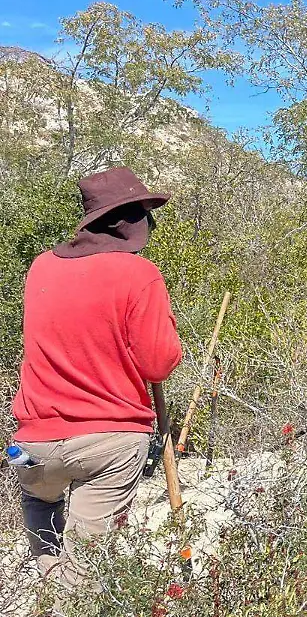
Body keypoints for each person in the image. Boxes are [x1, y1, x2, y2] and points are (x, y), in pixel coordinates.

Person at [9, 167, 182, 586]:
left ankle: (49, 586)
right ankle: (65, 596)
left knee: (38, 500)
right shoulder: (138, 274)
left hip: (34, 443)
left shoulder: (41, 267)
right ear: (129, 222)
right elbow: (159, 364)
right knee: (84, 576)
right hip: (110, 443)